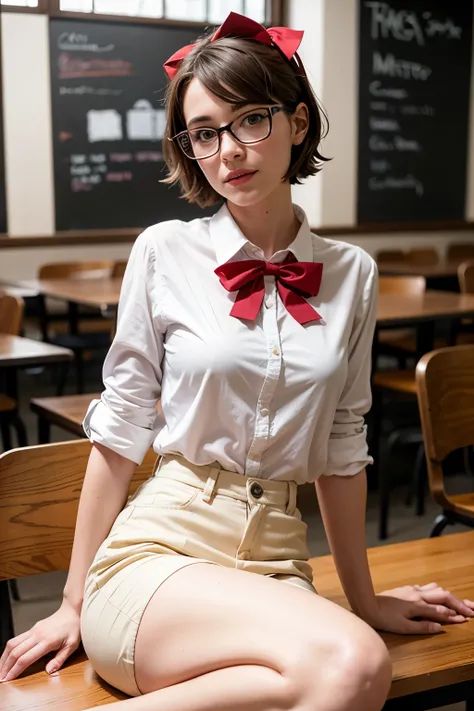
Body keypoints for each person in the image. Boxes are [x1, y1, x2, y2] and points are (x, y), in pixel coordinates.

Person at [1, 12, 473, 711]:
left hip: (279, 566)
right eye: (204, 133)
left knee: (348, 671)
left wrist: (365, 598)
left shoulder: (354, 274)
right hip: (159, 556)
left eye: (250, 120)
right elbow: (120, 431)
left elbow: (343, 447)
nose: (228, 150)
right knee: (353, 666)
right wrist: (72, 601)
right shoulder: (163, 253)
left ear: (299, 123)